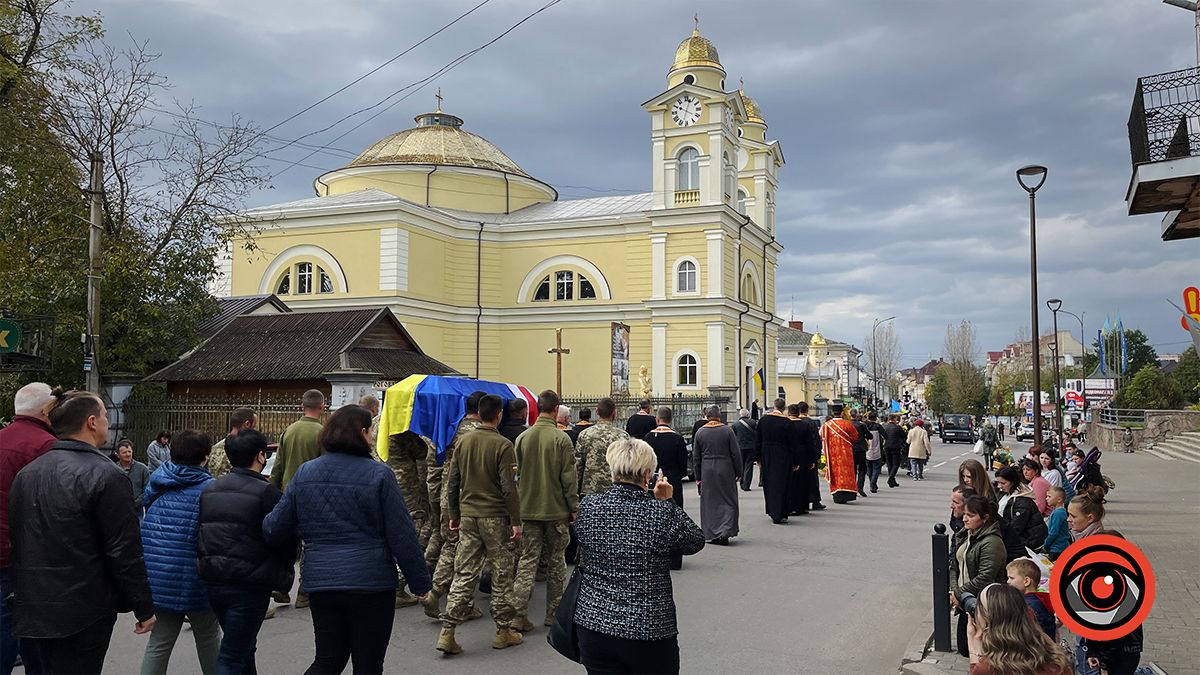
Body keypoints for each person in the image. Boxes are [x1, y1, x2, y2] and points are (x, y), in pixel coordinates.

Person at [264, 404, 430, 673]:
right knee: (368, 663)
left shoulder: (306, 473)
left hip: (322, 582)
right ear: (363, 432)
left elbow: (274, 527)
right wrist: (419, 580)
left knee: (328, 659)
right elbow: (401, 533)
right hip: (371, 583)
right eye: (370, 431)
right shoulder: (379, 474)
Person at [9, 390, 156, 673]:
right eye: (104, 416)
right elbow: (123, 550)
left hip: (33, 604)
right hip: (83, 610)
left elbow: (21, 540)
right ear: (91, 422)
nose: (106, 422)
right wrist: (144, 607)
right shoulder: (107, 475)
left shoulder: (28, 473)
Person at [571, 438, 705, 674]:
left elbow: (580, 541)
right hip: (648, 627)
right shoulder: (659, 512)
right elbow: (695, 541)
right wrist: (668, 502)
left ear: (612, 472)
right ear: (647, 475)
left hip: (594, 623)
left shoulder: (589, 506)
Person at [197, 429, 297, 675]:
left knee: (243, 647)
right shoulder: (266, 492)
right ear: (261, 456)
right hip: (249, 583)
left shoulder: (211, 490)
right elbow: (284, 536)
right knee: (232, 655)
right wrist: (282, 572)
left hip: (215, 578)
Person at [436, 394, 523, 655]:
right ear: (498, 415)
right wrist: (515, 520)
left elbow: (452, 481)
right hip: (494, 516)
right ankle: (503, 629)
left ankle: (448, 630)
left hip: (468, 515)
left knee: (464, 572)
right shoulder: (503, 445)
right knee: (501, 573)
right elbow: (509, 488)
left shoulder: (463, 441)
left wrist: (454, 512)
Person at [139, 430, 220, 675]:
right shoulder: (212, 490)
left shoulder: (157, 483)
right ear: (205, 457)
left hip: (160, 576)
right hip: (198, 578)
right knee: (208, 636)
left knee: (160, 642)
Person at [0, 382, 57, 675]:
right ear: (47, 410)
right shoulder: (45, 446)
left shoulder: (2, 438)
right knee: (28, 632)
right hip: (26, 554)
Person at [511, 390, 578, 633]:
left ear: (538, 408)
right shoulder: (561, 440)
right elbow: (568, 479)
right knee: (556, 561)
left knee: (527, 560)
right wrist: (573, 507)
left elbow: (517, 475)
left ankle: (518, 614)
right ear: (556, 408)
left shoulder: (523, 438)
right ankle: (553, 613)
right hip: (555, 509)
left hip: (528, 508)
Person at [422, 391, 487, 620]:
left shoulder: (450, 429)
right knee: (468, 552)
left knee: (450, 545)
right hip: (469, 498)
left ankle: (435, 591)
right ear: (482, 409)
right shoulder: (481, 433)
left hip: (447, 495)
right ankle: (463, 604)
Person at [268, 389, 325, 609]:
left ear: (302, 406)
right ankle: (304, 592)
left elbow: (278, 465)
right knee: (309, 545)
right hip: (313, 497)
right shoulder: (321, 433)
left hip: (287, 494)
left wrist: (274, 492)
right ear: (321, 407)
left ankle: (282, 587)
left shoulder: (288, 431)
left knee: (288, 543)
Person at [964, 583, 1071, 675]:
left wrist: (973, 642)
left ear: (987, 619)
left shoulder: (990, 667)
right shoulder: (1057, 662)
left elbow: (977, 671)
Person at [949, 496, 1006, 658]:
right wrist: (955, 591)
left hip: (983, 605)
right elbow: (954, 566)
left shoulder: (992, 542)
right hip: (965, 601)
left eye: (971, 515)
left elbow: (986, 577)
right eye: (965, 514)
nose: (965, 519)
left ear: (985, 518)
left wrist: (959, 592)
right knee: (966, 648)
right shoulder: (965, 535)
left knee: (981, 650)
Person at [643, 407, 688, 569]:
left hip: (653, 480)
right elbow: (683, 463)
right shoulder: (677, 438)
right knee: (674, 517)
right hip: (672, 480)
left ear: (657, 419)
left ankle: (654, 556)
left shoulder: (648, 437)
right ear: (671, 419)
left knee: (653, 518)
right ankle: (674, 558)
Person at [693, 406, 741, 545]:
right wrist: (739, 471)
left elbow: (696, 457)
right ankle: (725, 530)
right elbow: (735, 454)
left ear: (707, 416)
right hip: (725, 467)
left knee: (709, 502)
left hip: (707, 469)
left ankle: (712, 532)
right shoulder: (727, 430)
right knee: (728, 499)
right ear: (719, 416)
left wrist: (698, 477)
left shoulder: (700, 432)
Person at [755, 399, 797, 523]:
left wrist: (757, 458)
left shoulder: (763, 421)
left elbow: (758, 440)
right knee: (783, 483)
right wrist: (795, 461)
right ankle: (781, 512)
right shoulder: (787, 422)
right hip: (783, 456)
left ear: (774, 406)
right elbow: (792, 444)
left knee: (769, 483)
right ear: (784, 408)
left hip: (767, 455)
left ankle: (772, 510)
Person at [577, 397, 629, 496]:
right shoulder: (623, 436)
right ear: (614, 413)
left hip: (590, 491)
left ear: (596, 412)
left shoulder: (585, 435)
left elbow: (578, 467)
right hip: (615, 492)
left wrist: (575, 493)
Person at [994, 466, 1047, 552]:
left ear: (1012, 482)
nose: (1000, 486)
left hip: (1027, 541)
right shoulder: (1003, 493)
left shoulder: (1022, 502)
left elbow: (1016, 528)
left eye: (1003, 483)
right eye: (998, 483)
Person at [1006, 558, 1055, 640]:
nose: (1008, 581)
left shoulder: (1029, 606)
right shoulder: (1040, 600)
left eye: (1011, 578)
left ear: (1026, 581)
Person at [820, 409, 860, 503]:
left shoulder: (826, 425)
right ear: (842, 413)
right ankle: (847, 495)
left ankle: (837, 495)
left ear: (833, 413)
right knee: (846, 473)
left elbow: (822, 436)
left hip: (832, 453)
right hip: (846, 453)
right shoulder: (847, 424)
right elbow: (855, 437)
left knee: (835, 473)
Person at [208, 407, 257, 480]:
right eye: (254, 426)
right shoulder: (244, 450)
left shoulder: (215, 448)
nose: (255, 430)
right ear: (247, 424)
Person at [794, 402, 824, 510]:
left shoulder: (793, 421)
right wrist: (816, 455)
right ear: (807, 410)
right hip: (809, 454)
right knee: (812, 479)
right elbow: (815, 440)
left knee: (798, 479)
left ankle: (802, 502)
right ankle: (815, 501)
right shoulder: (810, 422)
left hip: (796, 455)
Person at [115, 439, 151, 519]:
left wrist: (135, 503)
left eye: (129, 451)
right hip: (118, 510)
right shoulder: (113, 469)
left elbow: (147, 490)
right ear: (117, 455)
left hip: (137, 511)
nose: (128, 454)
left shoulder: (142, 469)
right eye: (124, 452)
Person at [732, 409, 758, 491]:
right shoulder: (753, 423)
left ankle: (742, 483)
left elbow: (733, 437)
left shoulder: (735, 425)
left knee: (741, 465)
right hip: (751, 447)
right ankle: (746, 485)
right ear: (748, 415)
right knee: (749, 466)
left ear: (740, 415)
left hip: (739, 447)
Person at [882, 414, 907, 488]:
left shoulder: (885, 427)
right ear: (894, 419)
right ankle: (891, 478)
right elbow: (904, 435)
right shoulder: (897, 427)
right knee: (896, 464)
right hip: (895, 447)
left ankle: (892, 480)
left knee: (889, 464)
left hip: (886, 446)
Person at [863, 411, 884, 493]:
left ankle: (873, 483)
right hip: (877, 449)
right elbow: (885, 435)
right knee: (876, 468)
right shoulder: (878, 426)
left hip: (867, 449)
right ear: (876, 418)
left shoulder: (865, 426)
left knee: (869, 468)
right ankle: (873, 483)